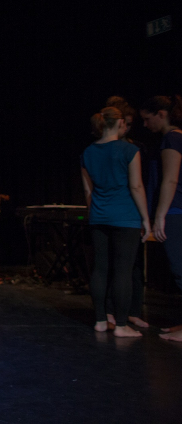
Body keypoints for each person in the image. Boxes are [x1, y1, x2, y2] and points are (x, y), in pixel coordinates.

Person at [81, 107, 151, 338]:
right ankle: (121, 325)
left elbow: (88, 192)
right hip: (125, 216)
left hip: (99, 217)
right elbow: (136, 186)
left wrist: (96, 215)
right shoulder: (129, 150)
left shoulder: (88, 152)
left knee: (100, 268)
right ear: (120, 122)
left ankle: (101, 320)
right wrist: (146, 218)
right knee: (123, 270)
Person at [103, 97, 150, 329]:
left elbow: (141, 184)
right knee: (114, 265)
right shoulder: (104, 149)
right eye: (125, 124)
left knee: (134, 265)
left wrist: (145, 215)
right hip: (115, 212)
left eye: (131, 124)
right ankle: (111, 311)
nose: (127, 129)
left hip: (131, 212)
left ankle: (132, 311)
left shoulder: (135, 148)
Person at [140, 95, 182, 342]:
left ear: (162, 114)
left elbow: (171, 179)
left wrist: (159, 216)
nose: (145, 125)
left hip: (175, 210)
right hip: (176, 209)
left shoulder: (172, 138)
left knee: (180, 269)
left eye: (148, 119)